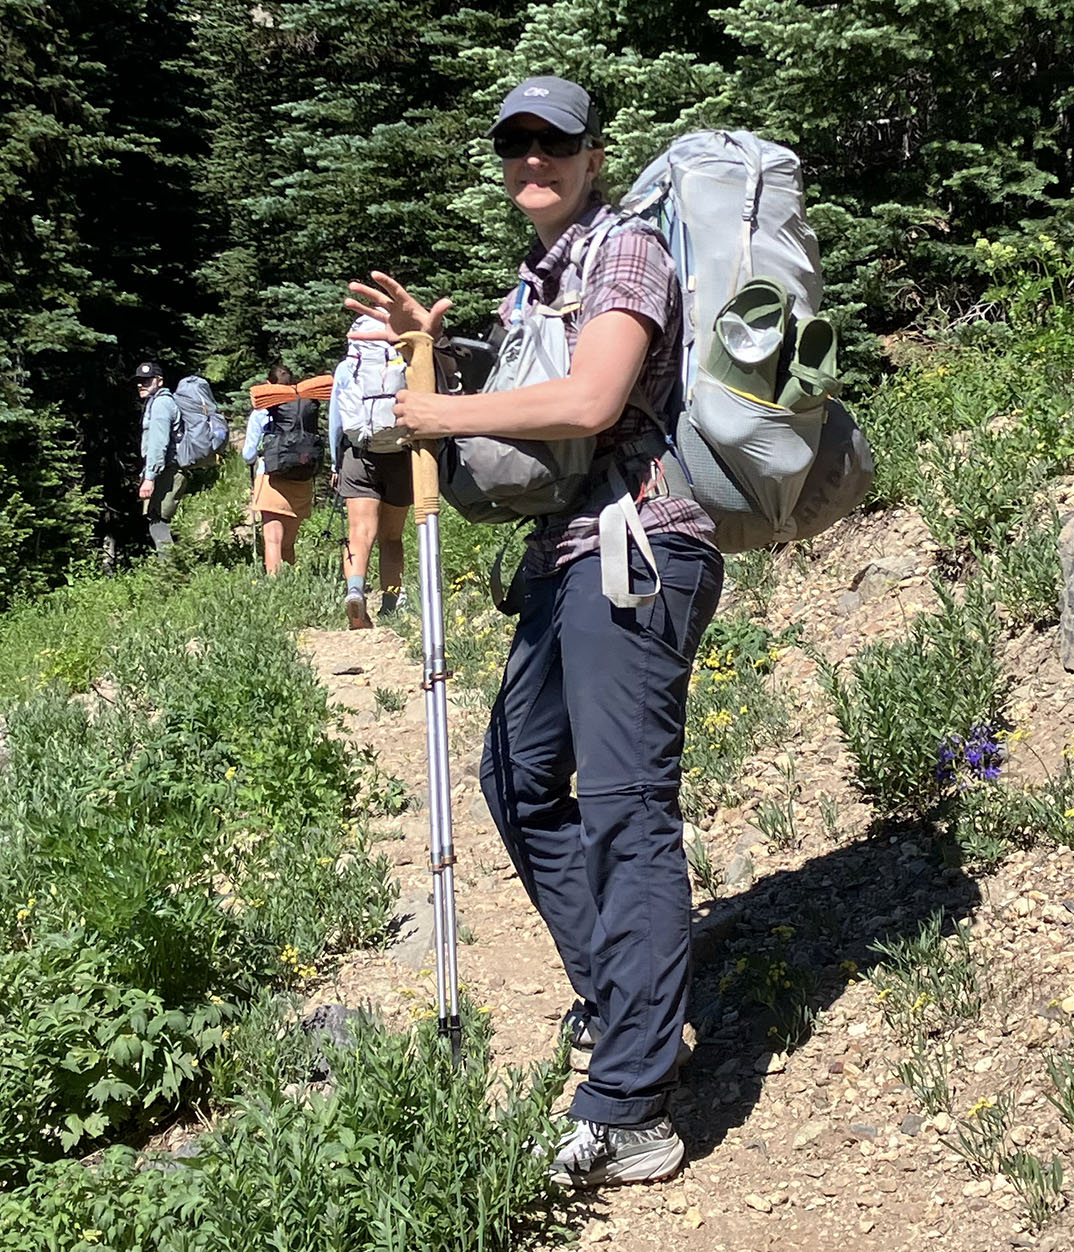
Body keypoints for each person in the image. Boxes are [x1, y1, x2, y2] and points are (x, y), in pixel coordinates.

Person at [345, 75, 720, 1189]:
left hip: (636, 548)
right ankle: (620, 996)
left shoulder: (625, 253)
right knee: (515, 779)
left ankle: (633, 1102)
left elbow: (592, 401)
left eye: (552, 144)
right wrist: (430, 352)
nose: (531, 162)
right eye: (514, 146)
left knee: (622, 811)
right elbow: (533, 409)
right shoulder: (543, 276)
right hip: (567, 556)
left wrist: (437, 413)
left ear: (593, 154)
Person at [327, 328, 411, 629]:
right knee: (392, 538)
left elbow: (336, 420)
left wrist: (336, 463)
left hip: (359, 454)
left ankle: (355, 591)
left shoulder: (348, 367)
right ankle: (390, 604)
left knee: (358, 532)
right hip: (401, 455)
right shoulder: (404, 360)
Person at [244, 364, 318, 575]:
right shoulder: (303, 408)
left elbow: (248, 454)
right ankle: (293, 583)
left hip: (271, 478)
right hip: (301, 477)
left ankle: (276, 587)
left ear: (269, 385)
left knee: (272, 540)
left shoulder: (262, 411)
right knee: (288, 542)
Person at [135, 361, 186, 554]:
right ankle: (169, 572)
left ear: (159, 381)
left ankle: (170, 574)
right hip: (167, 469)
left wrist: (149, 478)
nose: (141, 384)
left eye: (147, 380)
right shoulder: (155, 402)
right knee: (156, 519)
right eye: (139, 381)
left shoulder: (161, 404)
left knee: (158, 521)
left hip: (168, 470)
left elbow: (158, 444)